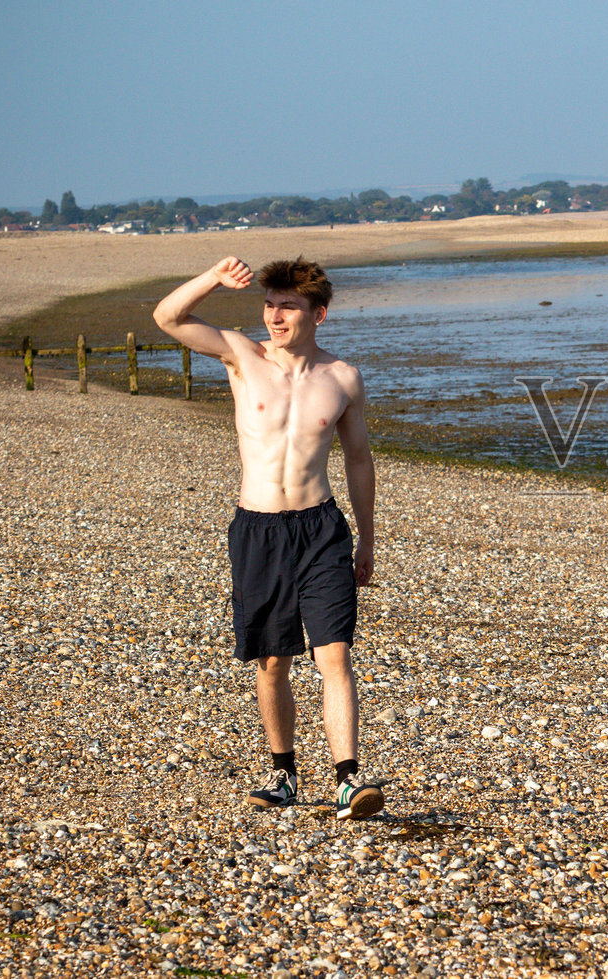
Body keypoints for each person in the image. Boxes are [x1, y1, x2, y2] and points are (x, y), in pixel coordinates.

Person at [154, 255, 383, 819]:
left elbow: (358, 460)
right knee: (273, 662)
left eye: (289, 307)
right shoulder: (241, 355)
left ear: (318, 315)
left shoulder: (342, 378)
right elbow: (168, 317)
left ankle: (349, 781)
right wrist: (211, 276)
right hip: (257, 529)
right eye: (270, 305)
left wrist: (367, 539)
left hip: (322, 528)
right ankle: (283, 775)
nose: (275, 317)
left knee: (335, 653)